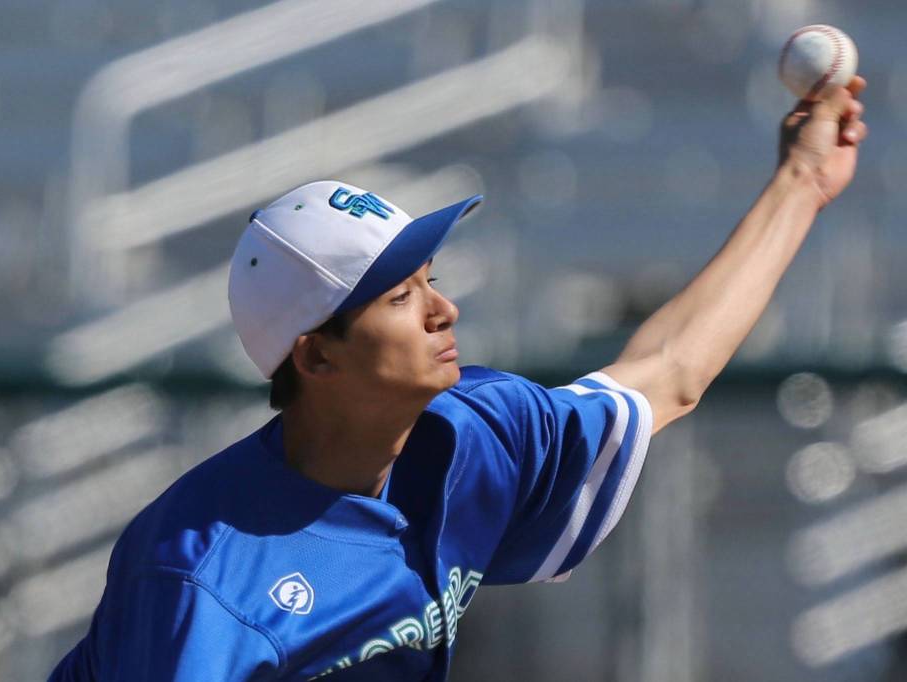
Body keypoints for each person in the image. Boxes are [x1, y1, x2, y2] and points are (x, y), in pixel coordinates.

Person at [49, 76, 868, 681]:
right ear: (316, 355)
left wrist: (801, 182)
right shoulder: (205, 580)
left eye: (430, 278)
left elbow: (669, 374)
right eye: (401, 296)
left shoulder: (474, 435)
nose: (443, 309)